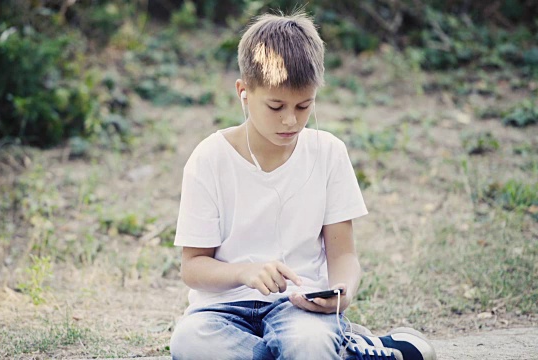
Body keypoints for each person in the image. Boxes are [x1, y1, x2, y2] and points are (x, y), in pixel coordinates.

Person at [169, 10, 436, 360]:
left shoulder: (328, 152)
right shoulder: (210, 158)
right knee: (190, 343)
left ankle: (323, 348)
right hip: (221, 311)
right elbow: (193, 267)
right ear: (244, 91)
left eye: (304, 105)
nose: (290, 120)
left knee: (307, 344)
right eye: (276, 106)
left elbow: (344, 255)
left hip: (298, 305)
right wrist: (245, 272)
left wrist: (343, 292)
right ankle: (348, 353)